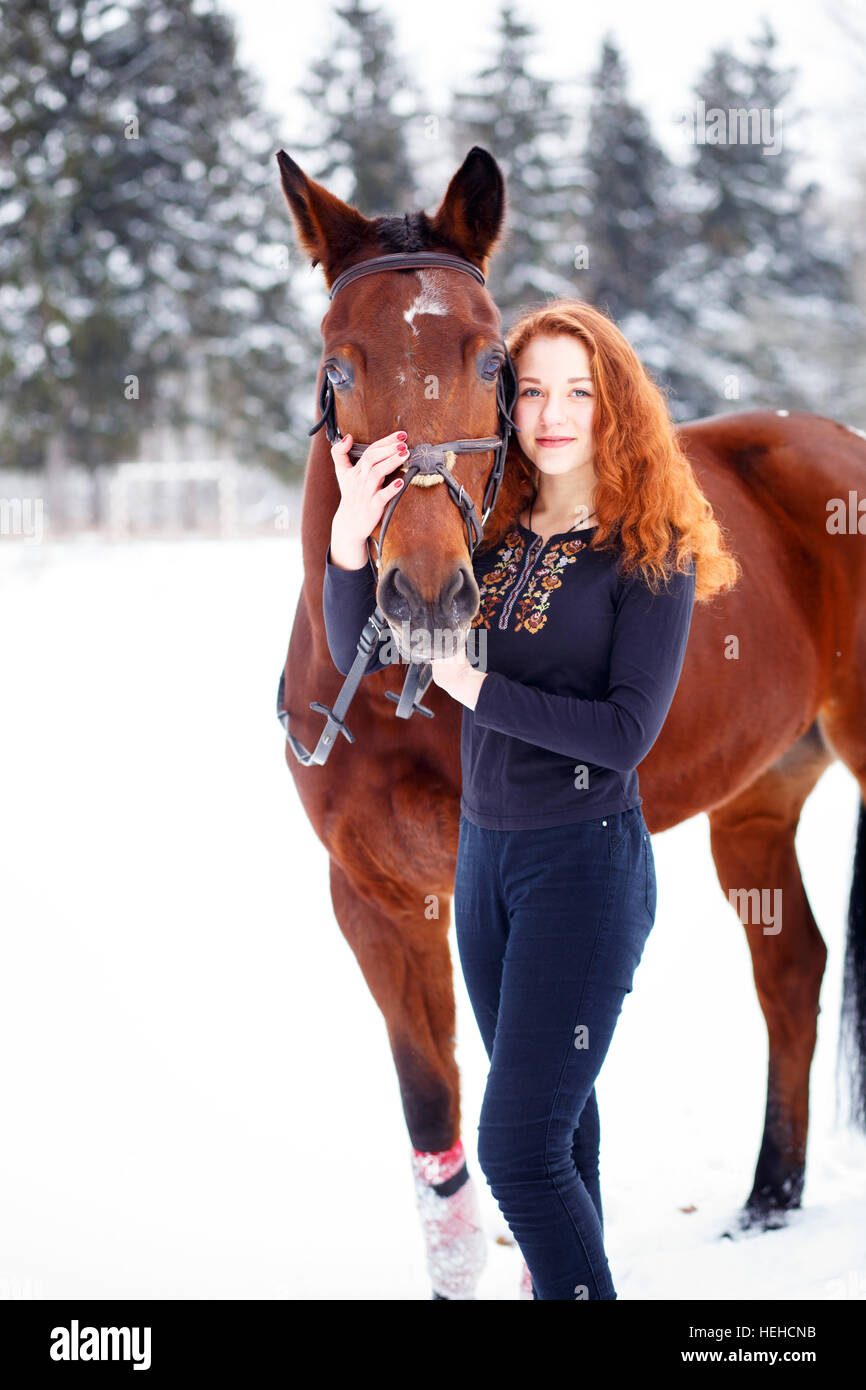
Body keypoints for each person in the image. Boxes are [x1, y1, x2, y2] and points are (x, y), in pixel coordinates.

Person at [322, 298, 740, 1300]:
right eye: (532, 391)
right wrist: (347, 539)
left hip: (582, 869)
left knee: (513, 1149)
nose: (550, 413)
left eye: (577, 392)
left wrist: (473, 687)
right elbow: (362, 653)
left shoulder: (649, 547)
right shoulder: (496, 535)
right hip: (487, 867)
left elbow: (623, 736)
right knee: (561, 1131)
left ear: (615, 407)